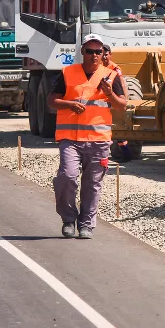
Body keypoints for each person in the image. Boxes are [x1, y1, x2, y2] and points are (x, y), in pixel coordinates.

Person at [48, 34, 127, 239]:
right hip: (70, 139)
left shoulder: (111, 75)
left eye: (98, 51)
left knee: (92, 184)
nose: (94, 55)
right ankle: (68, 219)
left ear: (103, 54)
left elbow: (122, 105)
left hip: (98, 140)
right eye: (90, 51)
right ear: (82, 52)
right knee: (67, 176)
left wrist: (109, 93)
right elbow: (51, 100)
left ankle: (86, 225)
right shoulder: (68, 72)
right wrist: (69, 104)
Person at [101, 44, 131, 157]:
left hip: (114, 100)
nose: (104, 57)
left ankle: (126, 153)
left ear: (110, 55)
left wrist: (124, 100)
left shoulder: (115, 68)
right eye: (102, 55)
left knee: (117, 128)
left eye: (106, 55)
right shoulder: (99, 68)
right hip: (104, 102)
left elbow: (122, 84)